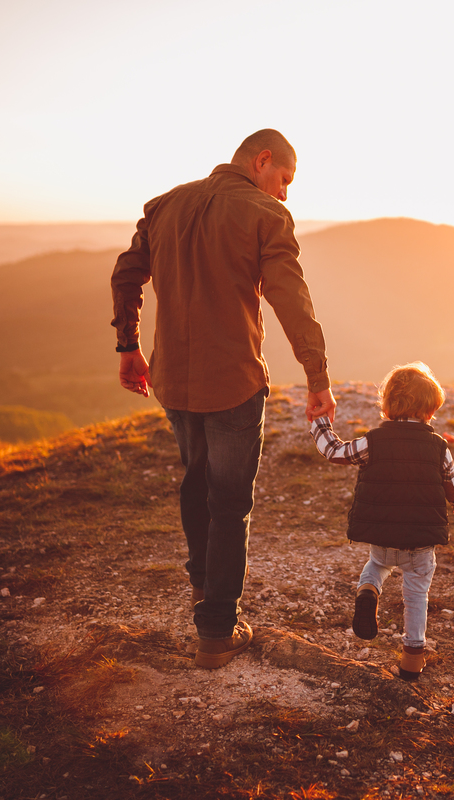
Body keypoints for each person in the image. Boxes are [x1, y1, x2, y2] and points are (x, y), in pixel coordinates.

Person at [111, 129, 336, 669]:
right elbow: (291, 299)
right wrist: (318, 376)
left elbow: (126, 272)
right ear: (263, 162)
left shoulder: (166, 206)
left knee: (196, 483)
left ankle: (202, 588)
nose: (284, 194)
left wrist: (127, 346)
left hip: (174, 382)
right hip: (233, 382)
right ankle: (216, 628)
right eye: (284, 179)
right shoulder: (265, 214)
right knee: (229, 502)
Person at [310, 362, 454, 680]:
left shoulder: (373, 441)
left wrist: (320, 423)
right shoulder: (439, 447)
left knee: (377, 565)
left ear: (388, 406)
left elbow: (335, 452)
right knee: (416, 593)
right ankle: (412, 658)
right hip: (420, 542)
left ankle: (368, 590)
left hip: (383, 537)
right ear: (428, 411)